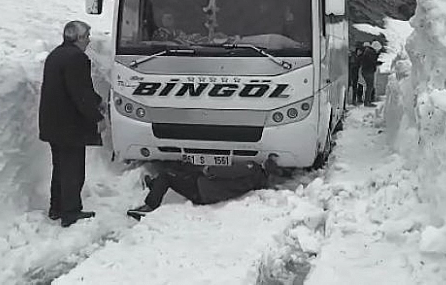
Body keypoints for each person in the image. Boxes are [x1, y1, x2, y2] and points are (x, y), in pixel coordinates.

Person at [39, 20, 106, 228]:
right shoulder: (78, 58)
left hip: (53, 123)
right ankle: (71, 212)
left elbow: (69, 87)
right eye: (86, 36)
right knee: (73, 169)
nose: (88, 40)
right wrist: (98, 118)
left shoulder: (56, 55)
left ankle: (56, 207)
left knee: (60, 167)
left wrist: (97, 101)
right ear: (76, 38)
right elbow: (80, 94)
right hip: (70, 125)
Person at [127, 154, 282, 220]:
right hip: (208, 194)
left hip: (202, 187)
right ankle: (155, 186)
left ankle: (149, 206)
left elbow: (227, 172)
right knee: (184, 173)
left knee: (167, 175)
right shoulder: (257, 182)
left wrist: (210, 170)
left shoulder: (251, 167)